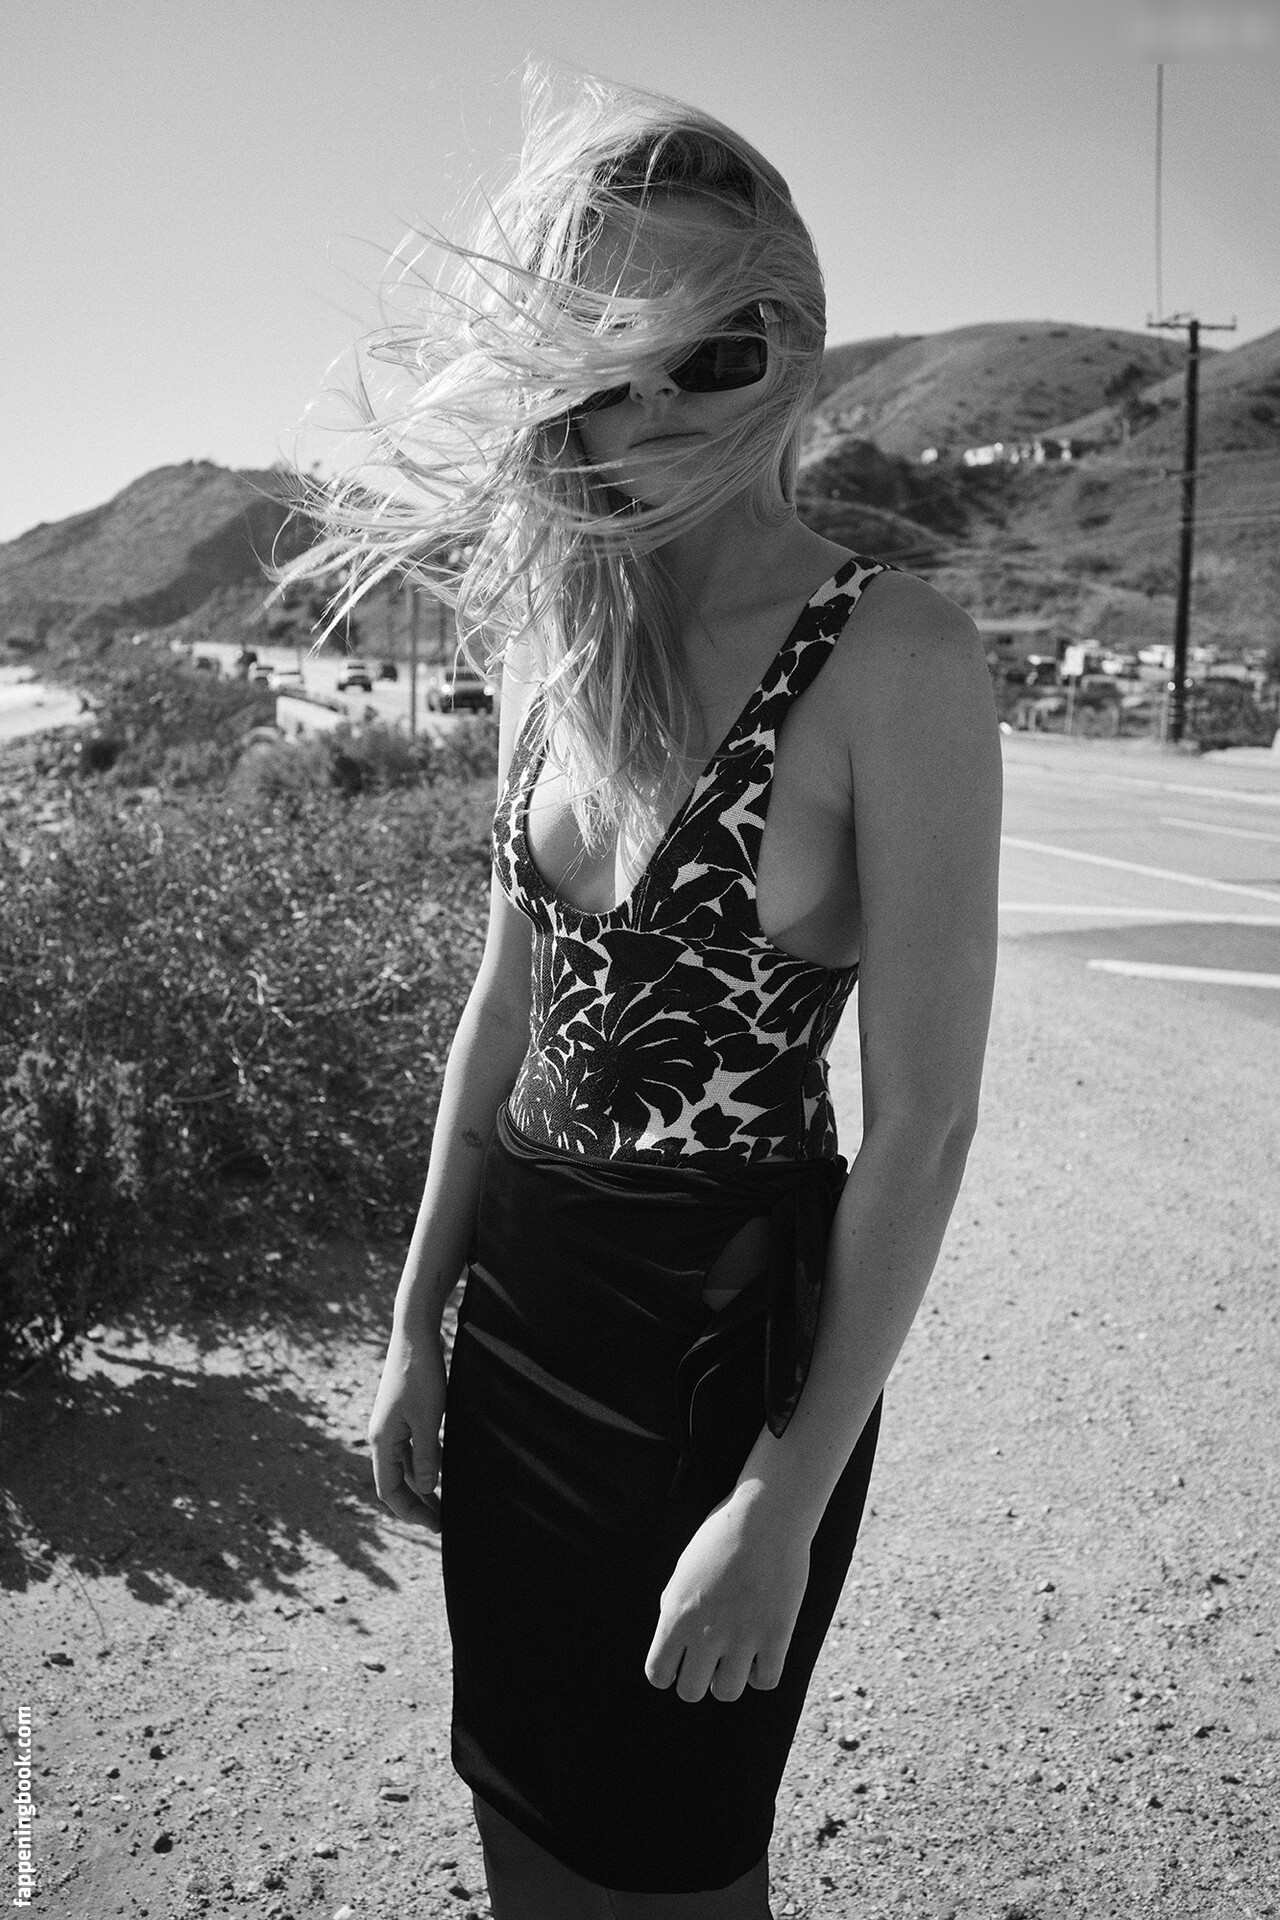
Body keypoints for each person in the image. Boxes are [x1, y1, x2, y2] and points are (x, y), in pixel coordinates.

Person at [315, 69, 1001, 1920]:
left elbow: (924, 1129)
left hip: (722, 1363)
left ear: (799, 344)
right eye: (610, 357)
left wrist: (782, 1501)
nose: (662, 402)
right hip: (527, 1313)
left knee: (679, 1856)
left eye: (721, 347)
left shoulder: (896, 655)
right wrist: (416, 1324)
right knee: (521, 1806)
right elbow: (500, 1021)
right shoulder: (562, 641)